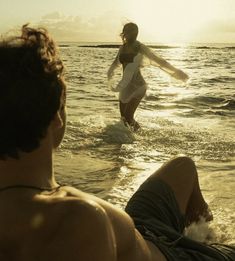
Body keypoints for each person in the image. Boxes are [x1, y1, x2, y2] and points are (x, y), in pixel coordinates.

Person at [0, 25, 234, 261]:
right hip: (170, 254)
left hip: (143, 228)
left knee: (183, 166)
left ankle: (205, 238)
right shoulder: (78, 223)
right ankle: (209, 249)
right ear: (57, 117)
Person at [107, 22, 189, 131]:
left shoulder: (140, 47)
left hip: (138, 86)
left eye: (134, 32)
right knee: (123, 120)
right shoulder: (122, 48)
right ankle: (125, 142)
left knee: (128, 117)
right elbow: (115, 63)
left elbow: (159, 61)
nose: (132, 34)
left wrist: (175, 71)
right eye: (128, 32)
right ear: (125, 33)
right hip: (125, 87)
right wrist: (110, 73)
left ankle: (141, 136)